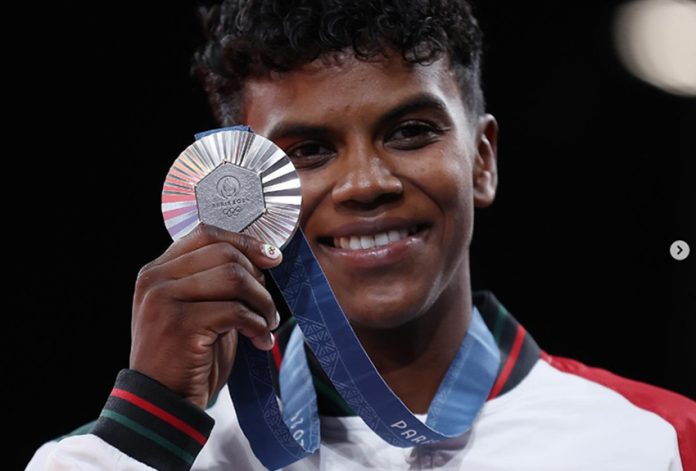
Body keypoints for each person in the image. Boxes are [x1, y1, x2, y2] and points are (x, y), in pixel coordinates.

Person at [27, 0, 695, 470]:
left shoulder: (657, 439)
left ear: (483, 159)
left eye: (410, 132)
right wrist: (149, 421)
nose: (365, 182)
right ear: (244, 189)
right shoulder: (153, 453)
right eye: (310, 149)